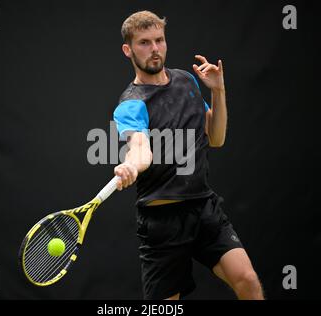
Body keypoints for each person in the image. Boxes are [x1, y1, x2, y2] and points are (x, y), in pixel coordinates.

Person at [112, 10, 264, 300]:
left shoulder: (186, 81)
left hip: (203, 207)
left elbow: (216, 138)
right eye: (144, 42)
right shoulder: (130, 104)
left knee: (248, 280)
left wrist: (218, 91)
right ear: (127, 49)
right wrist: (130, 166)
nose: (155, 49)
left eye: (159, 40)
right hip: (161, 221)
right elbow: (141, 149)